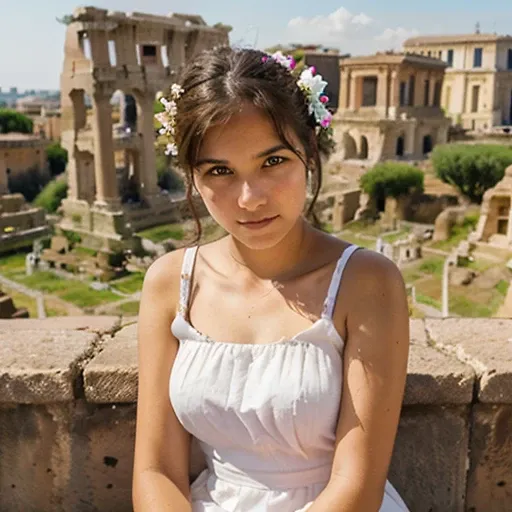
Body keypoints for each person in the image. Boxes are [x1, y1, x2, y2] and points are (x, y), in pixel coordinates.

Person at [132, 47, 410, 512]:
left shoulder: (367, 282)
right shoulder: (169, 283)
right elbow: (155, 470)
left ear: (310, 155)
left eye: (273, 162)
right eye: (220, 171)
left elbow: (357, 484)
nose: (249, 198)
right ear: (192, 177)